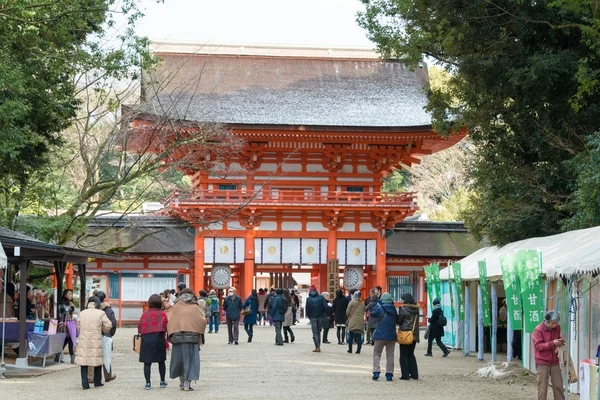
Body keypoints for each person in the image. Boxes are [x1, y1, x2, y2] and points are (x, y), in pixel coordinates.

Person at [167, 289, 206, 391]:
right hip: (192, 337)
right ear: (192, 296)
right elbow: (202, 321)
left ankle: (181, 382)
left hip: (177, 337)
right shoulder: (195, 307)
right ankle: (187, 384)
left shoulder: (176, 307)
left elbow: (170, 320)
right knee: (191, 360)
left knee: (179, 361)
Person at [76, 296, 112, 390]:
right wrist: (103, 331)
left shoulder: (82, 313)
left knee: (84, 361)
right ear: (97, 304)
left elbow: (78, 325)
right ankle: (97, 382)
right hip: (96, 339)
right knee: (97, 360)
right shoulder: (100, 313)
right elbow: (109, 324)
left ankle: (85, 384)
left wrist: (83, 331)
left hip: (84, 339)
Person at [532, 311, 565, 400]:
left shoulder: (557, 328)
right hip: (542, 361)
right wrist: (553, 343)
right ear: (547, 321)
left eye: (556, 323)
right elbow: (538, 346)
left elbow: (557, 338)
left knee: (558, 385)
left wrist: (560, 340)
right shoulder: (538, 329)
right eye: (553, 323)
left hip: (555, 360)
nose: (555, 325)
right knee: (542, 388)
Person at [138, 294, 168, 390]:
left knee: (147, 362)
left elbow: (140, 328)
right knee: (161, 361)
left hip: (146, 339)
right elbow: (165, 327)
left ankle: (148, 383)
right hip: (159, 338)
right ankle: (162, 381)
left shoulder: (144, 314)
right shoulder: (162, 313)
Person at [370, 292, 398, 381]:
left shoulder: (379, 308)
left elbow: (372, 313)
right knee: (390, 355)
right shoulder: (393, 310)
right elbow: (397, 320)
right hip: (391, 335)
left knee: (376, 354)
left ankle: (376, 371)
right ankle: (389, 373)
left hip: (380, 335)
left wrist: (378, 303)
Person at [92, 291, 117, 382]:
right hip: (106, 335)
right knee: (107, 355)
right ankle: (107, 376)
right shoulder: (109, 310)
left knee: (95, 355)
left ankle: (92, 377)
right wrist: (110, 334)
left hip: (96, 335)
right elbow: (113, 323)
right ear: (105, 299)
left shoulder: (94, 309)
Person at [397, 293, 420, 380]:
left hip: (405, 334)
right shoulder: (416, 309)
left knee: (403, 355)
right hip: (414, 334)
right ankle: (414, 374)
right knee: (411, 354)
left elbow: (399, 321)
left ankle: (405, 375)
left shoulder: (403, 309)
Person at [305, 284, 328, 352]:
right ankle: (318, 346)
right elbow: (325, 307)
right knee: (319, 331)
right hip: (320, 316)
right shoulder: (321, 297)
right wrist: (325, 314)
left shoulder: (308, 299)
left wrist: (309, 316)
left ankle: (317, 346)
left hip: (313, 317)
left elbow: (307, 309)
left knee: (314, 332)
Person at [55, 289, 75, 364]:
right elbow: (64, 312)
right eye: (69, 294)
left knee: (69, 340)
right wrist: (71, 308)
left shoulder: (69, 303)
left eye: (71, 294)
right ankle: (71, 358)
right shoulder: (62, 303)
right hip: (64, 325)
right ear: (65, 295)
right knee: (65, 340)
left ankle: (71, 357)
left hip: (69, 324)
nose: (71, 295)